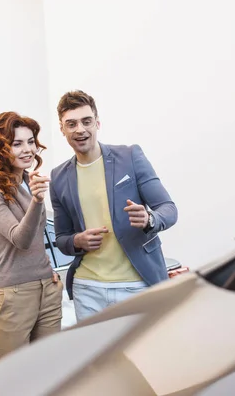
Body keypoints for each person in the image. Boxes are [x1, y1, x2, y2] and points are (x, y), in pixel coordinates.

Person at [49, 90, 178, 322]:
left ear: (97, 123)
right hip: (87, 288)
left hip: (137, 285)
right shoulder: (58, 177)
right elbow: (61, 238)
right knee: (96, 359)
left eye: (86, 121)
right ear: (62, 129)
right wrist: (77, 241)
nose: (80, 129)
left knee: (143, 357)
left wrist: (149, 219)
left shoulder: (129, 156)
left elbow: (168, 209)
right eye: (71, 124)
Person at [0, 111, 62, 360]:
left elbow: (38, 239)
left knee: (52, 376)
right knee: (19, 381)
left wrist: (46, 273)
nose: (28, 149)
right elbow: (20, 239)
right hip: (13, 296)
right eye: (17, 143)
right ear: (1, 149)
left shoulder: (28, 181)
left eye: (31, 141)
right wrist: (36, 200)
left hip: (47, 288)